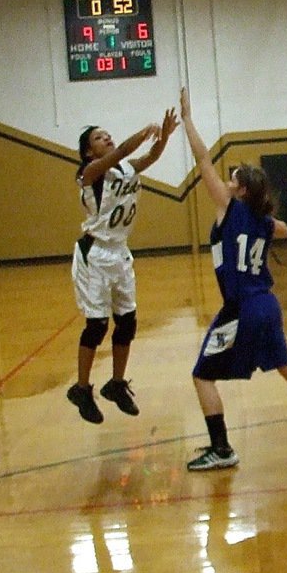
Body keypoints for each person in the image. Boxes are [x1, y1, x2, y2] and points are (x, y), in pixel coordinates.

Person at [179, 87, 287, 471]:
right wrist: (267, 225)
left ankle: (221, 449)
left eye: (232, 179)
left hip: (242, 307)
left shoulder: (229, 208)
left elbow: (202, 157)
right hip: (268, 304)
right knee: (285, 364)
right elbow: (283, 228)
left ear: (241, 190)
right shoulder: (264, 222)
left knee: (202, 376)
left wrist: (187, 119)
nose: (226, 182)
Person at [66, 110, 178, 424]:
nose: (107, 138)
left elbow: (149, 158)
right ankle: (82, 389)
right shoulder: (89, 172)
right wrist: (143, 132)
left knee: (127, 322)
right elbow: (124, 151)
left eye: (107, 134)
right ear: (90, 151)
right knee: (97, 326)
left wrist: (164, 136)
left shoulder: (124, 167)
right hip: (95, 254)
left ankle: (116, 384)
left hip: (120, 252)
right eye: (99, 138)